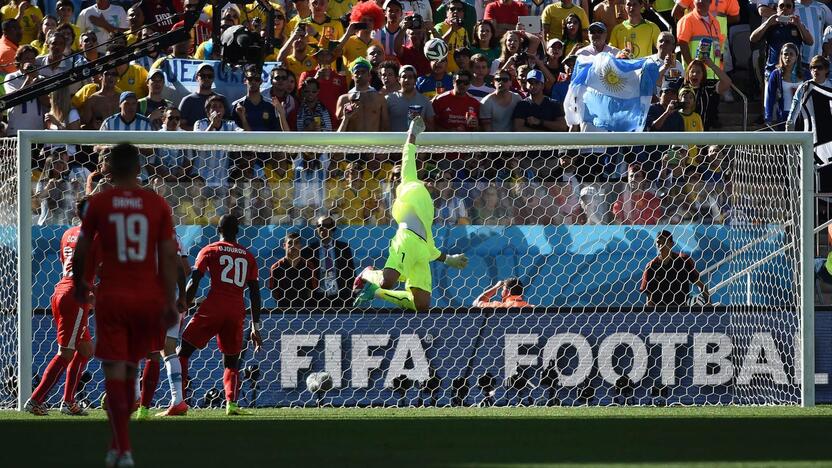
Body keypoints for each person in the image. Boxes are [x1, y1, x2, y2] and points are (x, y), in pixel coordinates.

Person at [71, 143, 179, 467]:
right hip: (147, 299)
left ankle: (121, 448)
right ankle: (122, 448)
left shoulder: (99, 203)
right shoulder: (157, 203)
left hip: (113, 299)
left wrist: (80, 283)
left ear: (111, 169)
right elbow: (169, 254)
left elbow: (83, 247)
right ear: (137, 169)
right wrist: (171, 299)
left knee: (113, 374)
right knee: (132, 370)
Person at [353, 116, 469, 312]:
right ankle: (368, 274)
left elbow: (429, 246)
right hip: (406, 239)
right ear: (422, 178)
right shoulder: (409, 182)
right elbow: (408, 155)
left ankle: (375, 292)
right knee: (387, 281)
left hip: (422, 251)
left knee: (421, 304)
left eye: (437, 179)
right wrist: (412, 133)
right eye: (429, 177)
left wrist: (448, 259)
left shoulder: (429, 210)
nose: (433, 182)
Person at [179, 214, 263, 416]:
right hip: (236, 310)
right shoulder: (247, 255)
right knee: (231, 360)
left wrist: (182, 307)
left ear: (219, 230)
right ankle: (231, 404)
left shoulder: (209, 250)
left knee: (183, 352)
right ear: (238, 232)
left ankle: (179, 399)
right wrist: (255, 326)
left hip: (213, 307)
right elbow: (254, 293)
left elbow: (194, 282)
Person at [23, 199, 97, 416]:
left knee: (85, 350)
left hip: (61, 291)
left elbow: (67, 262)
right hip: (76, 297)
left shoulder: (68, 233)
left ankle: (68, 401)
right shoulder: (97, 237)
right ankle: (36, 399)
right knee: (66, 353)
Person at [640, 230, 710, 306]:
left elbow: (700, 285)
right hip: (660, 312)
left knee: (696, 302)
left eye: (664, 242)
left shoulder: (683, 261)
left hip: (682, 311)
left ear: (671, 244)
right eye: (658, 242)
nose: (660, 246)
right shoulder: (651, 266)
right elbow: (649, 297)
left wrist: (709, 305)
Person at [750, 0, 812, 78]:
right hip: (772, 71)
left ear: (793, 10)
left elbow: (810, 42)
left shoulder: (797, 25)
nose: (784, 8)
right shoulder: (771, 25)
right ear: (777, 9)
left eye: (788, 6)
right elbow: (753, 38)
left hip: (794, 73)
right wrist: (768, 23)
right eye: (781, 6)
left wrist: (799, 25)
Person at [309, 216, 356, 308]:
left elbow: (351, 272)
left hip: (341, 297)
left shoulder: (343, 248)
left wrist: (352, 295)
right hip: (318, 297)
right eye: (320, 225)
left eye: (327, 225)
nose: (323, 228)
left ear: (333, 227)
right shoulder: (310, 249)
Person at [336, 58, 389, 131]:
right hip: (352, 141)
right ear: (352, 76)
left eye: (363, 72)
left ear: (369, 75)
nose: (360, 75)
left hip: (373, 141)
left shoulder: (380, 98)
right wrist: (346, 117)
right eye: (357, 72)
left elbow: (385, 126)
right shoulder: (344, 99)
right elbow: (337, 125)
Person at [269, 232, 319, 308]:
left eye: (296, 243)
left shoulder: (309, 266)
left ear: (300, 246)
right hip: (284, 311)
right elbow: (274, 292)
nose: (293, 246)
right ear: (284, 246)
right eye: (290, 243)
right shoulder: (276, 267)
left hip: (305, 311)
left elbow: (312, 290)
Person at [178, 63, 230, 131]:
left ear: (213, 78)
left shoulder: (221, 99)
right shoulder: (187, 100)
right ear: (196, 77)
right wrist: (200, 130)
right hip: (194, 140)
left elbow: (229, 124)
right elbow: (180, 126)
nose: (206, 78)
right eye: (203, 76)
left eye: (210, 76)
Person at [765, 43, 805, 129]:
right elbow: (770, 96)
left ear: (796, 57)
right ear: (781, 56)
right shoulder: (776, 74)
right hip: (784, 116)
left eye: (791, 54)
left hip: (803, 116)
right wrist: (768, 116)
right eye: (785, 54)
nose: (788, 57)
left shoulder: (806, 74)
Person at [385, 64, 436, 131]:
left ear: (415, 80)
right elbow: (383, 126)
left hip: (417, 141)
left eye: (410, 77)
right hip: (395, 141)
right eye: (404, 77)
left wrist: (420, 120)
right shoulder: (389, 99)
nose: (407, 80)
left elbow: (432, 129)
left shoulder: (425, 100)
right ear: (399, 79)